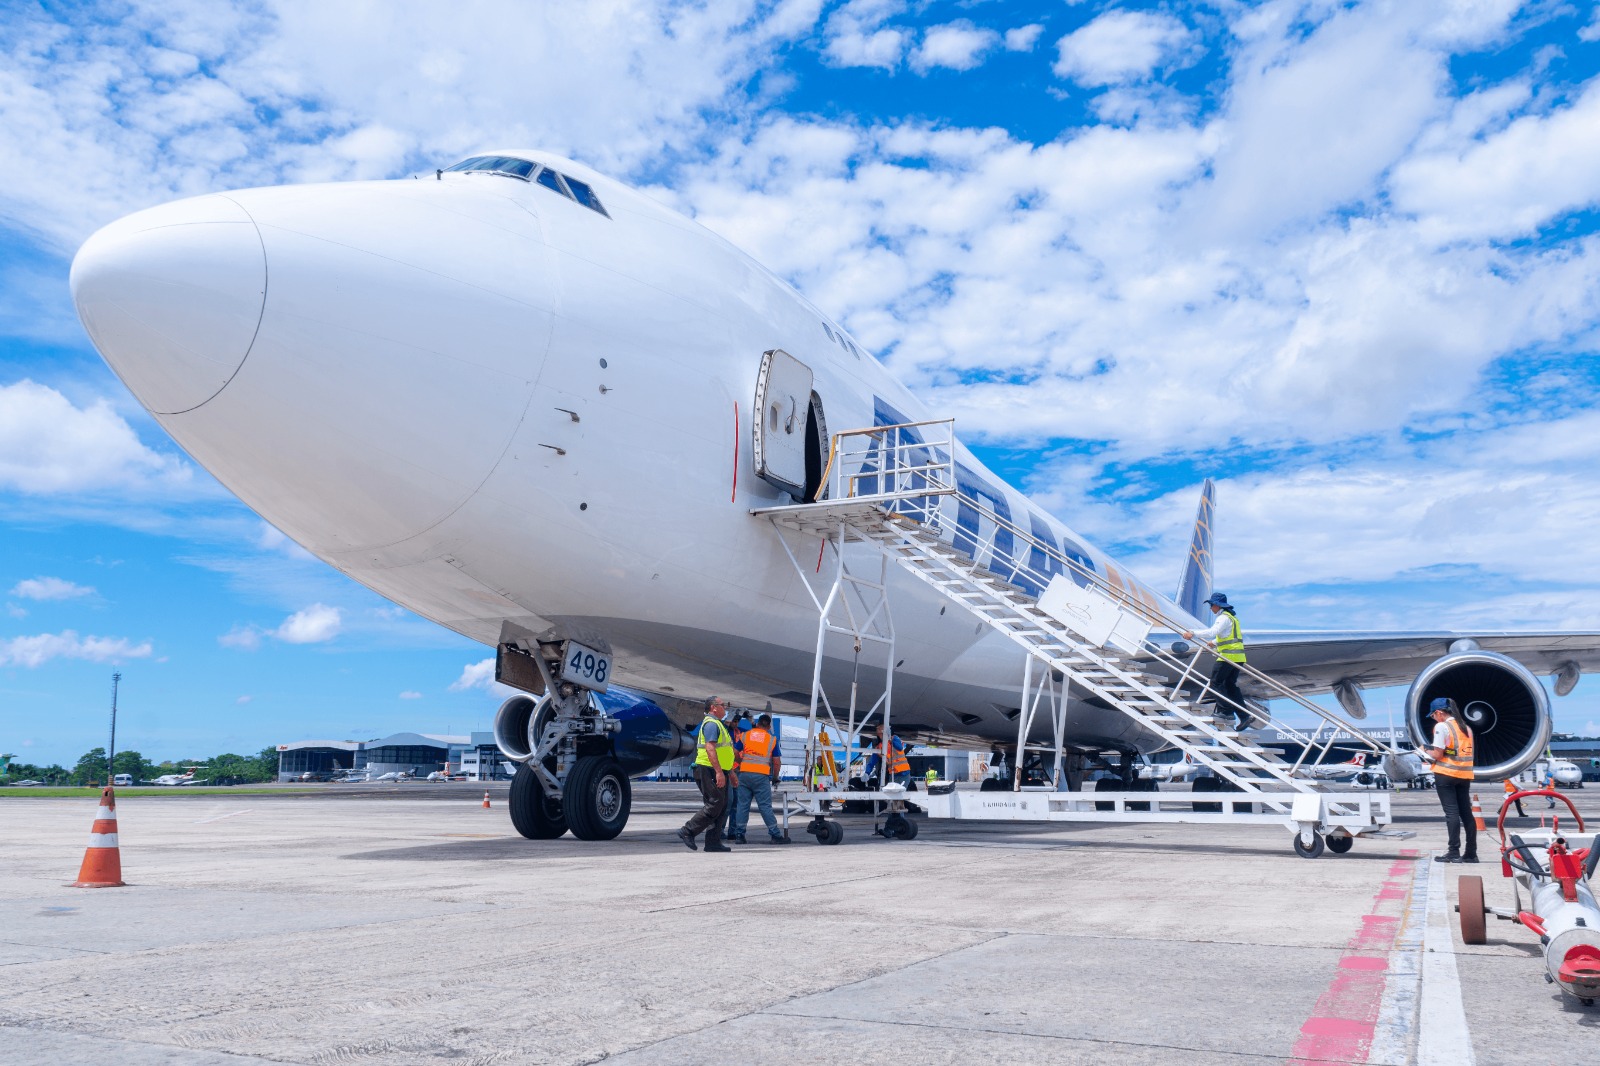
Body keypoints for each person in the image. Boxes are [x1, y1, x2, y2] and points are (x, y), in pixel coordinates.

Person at [1182, 592, 1250, 730]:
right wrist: (1214, 642)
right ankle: (1244, 716)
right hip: (1238, 657)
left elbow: (1213, 631)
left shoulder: (1223, 618)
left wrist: (1193, 633)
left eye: (1212, 605)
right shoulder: (1232, 618)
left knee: (1215, 683)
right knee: (1230, 686)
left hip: (1227, 657)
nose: (1210, 608)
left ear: (1218, 605)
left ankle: (1226, 712)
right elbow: (1228, 635)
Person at [676, 697, 736, 853]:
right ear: (713, 708)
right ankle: (688, 831)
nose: (725, 708)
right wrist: (718, 772)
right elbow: (710, 748)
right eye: (723, 705)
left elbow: (724, 752)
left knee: (722, 806)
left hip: (719, 769)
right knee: (715, 803)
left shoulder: (718, 724)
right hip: (708, 769)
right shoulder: (711, 724)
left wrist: (730, 772)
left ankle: (712, 842)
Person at [1420, 697, 1476, 863]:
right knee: (1467, 814)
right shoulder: (1466, 728)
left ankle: (1453, 851)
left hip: (1445, 774)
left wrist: (1423, 750)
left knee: (1451, 813)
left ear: (1439, 713)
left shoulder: (1441, 726)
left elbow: (1438, 754)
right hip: (1464, 775)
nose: (1434, 719)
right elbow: (1457, 751)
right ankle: (1471, 853)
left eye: (1433, 716)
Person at [732, 714, 788, 845]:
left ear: (757, 724)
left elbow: (734, 751)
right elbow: (776, 762)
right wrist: (775, 777)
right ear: (768, 726)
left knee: (742, 805)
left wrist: (741, 763)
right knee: (765, 806)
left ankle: (740, 835)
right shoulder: (771, 740)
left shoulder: (745, 735)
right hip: (761, 776)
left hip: (744, 774)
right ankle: (775, 834)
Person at [723, 715, 752, 841]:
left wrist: (751, 721)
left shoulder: (741, 732)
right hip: (728, 770)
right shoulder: (726, 731)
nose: (735, 724)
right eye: (733, 721)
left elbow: (756, 732)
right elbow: (725, 727)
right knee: (727, 803)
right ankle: (719, 830)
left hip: (738, 770)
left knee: (736, 804)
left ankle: (732, 831)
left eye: (737, 721)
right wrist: (729, 717)